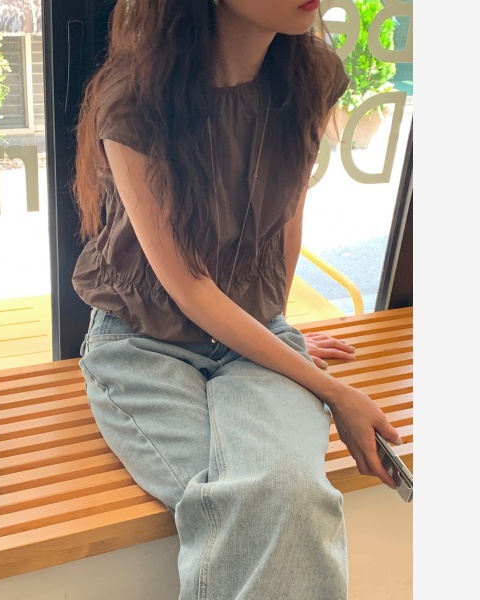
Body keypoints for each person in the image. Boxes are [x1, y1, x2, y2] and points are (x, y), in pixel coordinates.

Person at [72, 1, 402, 598]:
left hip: (254, 330)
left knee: (285, 493)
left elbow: (286, 224)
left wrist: (279, 333)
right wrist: (329, 389)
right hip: (141, 344)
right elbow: (190, 287)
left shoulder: (311, 77)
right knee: (257, 499)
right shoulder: (134, 99)